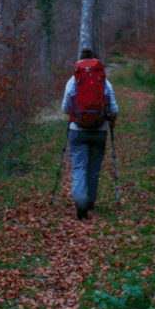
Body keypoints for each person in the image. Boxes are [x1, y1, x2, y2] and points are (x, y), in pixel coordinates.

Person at [61, 48, 119, 220]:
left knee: (79, 167)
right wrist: (112, 123)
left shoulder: (73, 81)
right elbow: (114, 109)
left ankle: (80, 203)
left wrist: (75, 114)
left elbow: (64, 109)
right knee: (94, 168)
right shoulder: (104, 82)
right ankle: (91, 201)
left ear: (80, 62)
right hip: (100, 130)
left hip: (77, 131)